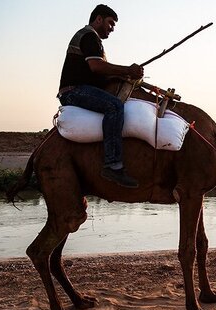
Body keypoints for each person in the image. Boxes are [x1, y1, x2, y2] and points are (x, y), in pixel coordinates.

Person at [57, 4, 144, 188]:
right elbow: (96, 67)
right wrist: (128, 69)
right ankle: (113, 164)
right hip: (74, 91)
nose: (112, 28)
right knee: (114, 106)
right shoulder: (89, 36)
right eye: (110, 23)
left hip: (82, 88)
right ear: (98, 19)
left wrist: (124, 75)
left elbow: (101, 73)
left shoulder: (95, 42)